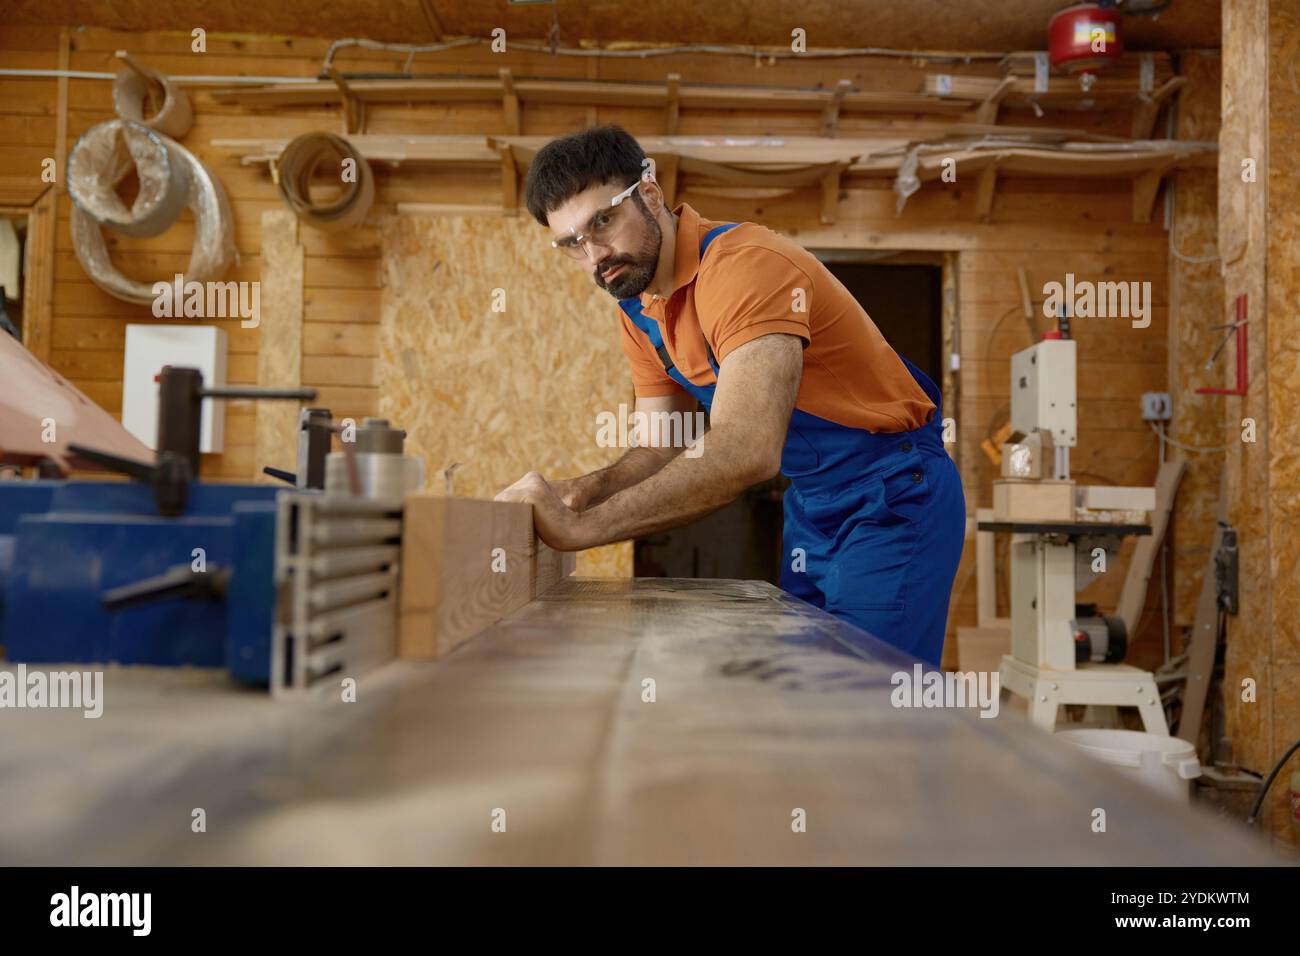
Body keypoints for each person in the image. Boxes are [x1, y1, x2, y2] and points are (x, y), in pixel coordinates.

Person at [496, 125, 964, 665]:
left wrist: (581, 528)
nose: (595, 253)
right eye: (572, 243)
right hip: (813, 502)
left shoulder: (747, 267)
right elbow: (662, 448)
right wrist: (578, 493)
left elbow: (747, 449)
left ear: (649, 194)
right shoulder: (638, 310)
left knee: (866, 698)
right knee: (814, 688)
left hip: (894, 491)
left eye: (603, 221)